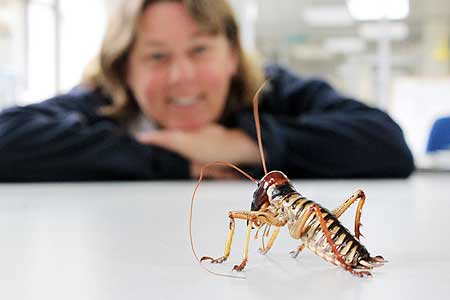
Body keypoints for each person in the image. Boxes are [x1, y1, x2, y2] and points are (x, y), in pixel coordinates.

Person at [0, 0, 414, 182]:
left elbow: (387, 142)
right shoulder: (102, 102)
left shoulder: (273, 90)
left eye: (200, 50)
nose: (183, 76)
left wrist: (243, 146)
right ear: (124, 69)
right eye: (157, 57)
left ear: (232, 54)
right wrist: (172, 159)